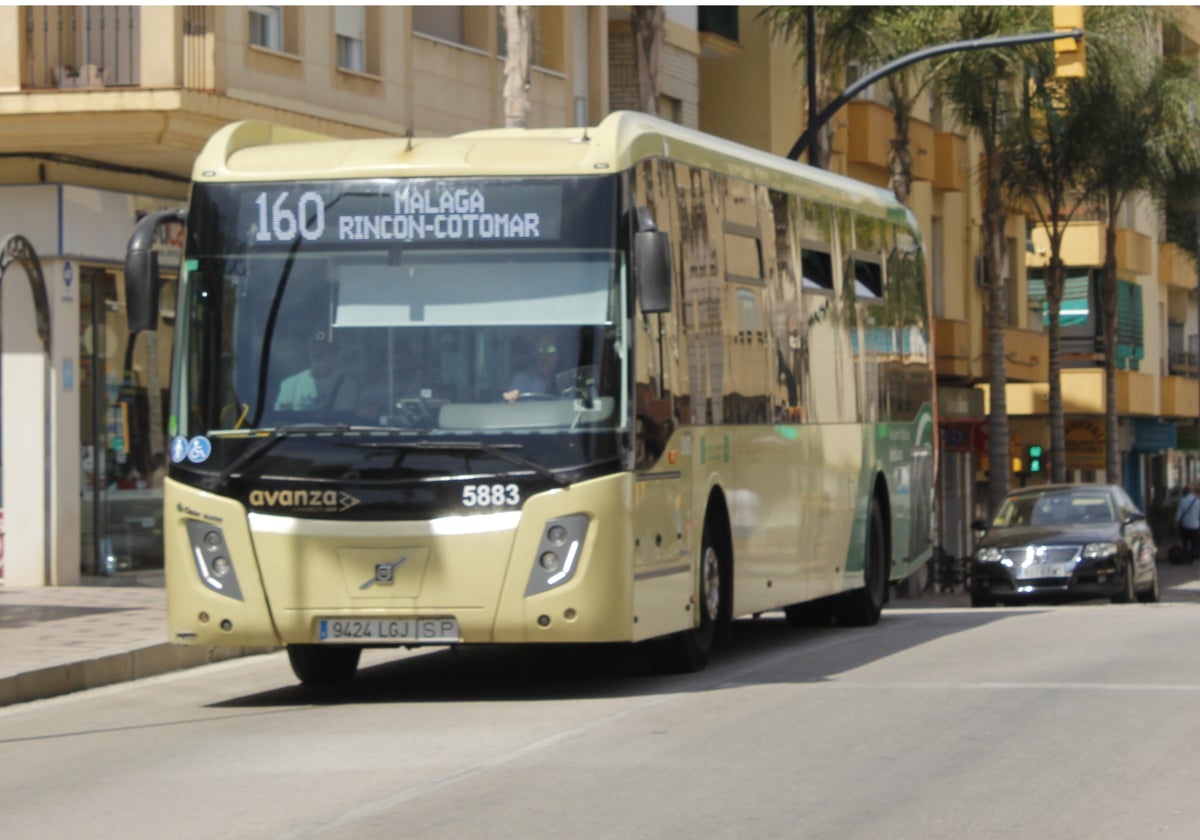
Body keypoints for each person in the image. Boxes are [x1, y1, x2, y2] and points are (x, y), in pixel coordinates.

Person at [275, 338, 359, 412]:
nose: (319, 354)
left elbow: (341, 418)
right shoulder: (290, 384)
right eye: (316, 352)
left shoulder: (348, 384)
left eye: (325, 351)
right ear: (309, 354)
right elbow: (281, 418)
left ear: (334, 354)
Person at [503, 331, 559, 402]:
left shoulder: (569, 382)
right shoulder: (522, 381)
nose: (544, 355)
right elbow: (509, 406)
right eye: (540, 350)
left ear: (559, 355)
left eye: (551, 350)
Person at [1176, 485, 1200, 562]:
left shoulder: (1182, 501)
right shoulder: (1197, 501)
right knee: (1194, 542)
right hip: (1195, 525)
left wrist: (1176, 523)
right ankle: (1192, 557)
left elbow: (1179, 514)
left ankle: (1186, 555)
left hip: (1185, 525)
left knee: (1185, 541)